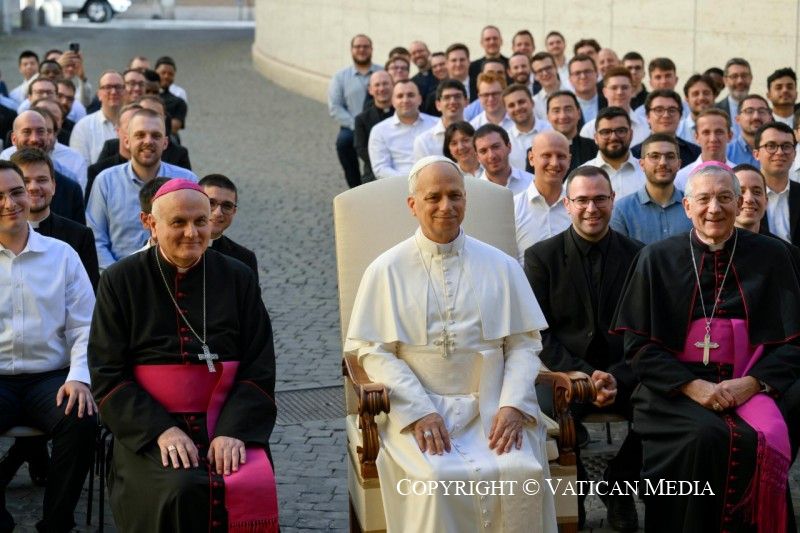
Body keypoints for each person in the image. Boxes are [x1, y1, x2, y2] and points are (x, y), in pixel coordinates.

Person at [345, 155, 557, 533]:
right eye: (434, 197)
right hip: (419, 407)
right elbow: (373, 350)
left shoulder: (502, 266)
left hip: (493, 408)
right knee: (437, 479)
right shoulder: (386, 269)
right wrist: (419, 412)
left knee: (521, 469)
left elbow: (524, 345)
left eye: (455, 195)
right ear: (413, 205)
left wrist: (512, 405)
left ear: (465, 200)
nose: (447, 206)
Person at [611, 162, 800, 533]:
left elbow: (794, 342)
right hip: (675, 390)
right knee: (704, 436)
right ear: (687, 206)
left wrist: (753, 383)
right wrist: (692, 386)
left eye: (725, 197)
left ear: (739, 203)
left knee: (761, 439)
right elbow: (638, 347)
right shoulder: (656, 258)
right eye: (704, 199)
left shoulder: (772, 256)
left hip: (749, 384)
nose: (714, 208)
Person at [89, 179, 278, 532]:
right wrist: (160, 431)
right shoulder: (120, 280)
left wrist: (233, 430)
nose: (192, 233)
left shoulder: (237, 277)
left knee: (247, 481)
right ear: (150, 223)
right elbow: (108, 374)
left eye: (200, 221)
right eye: (178, 222)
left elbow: (260, 365)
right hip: (150, 425)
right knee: (182, 488)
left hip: (227, 417)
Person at [525, 165, 643, 532]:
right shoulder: (540, 257)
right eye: (582, 200)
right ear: (567, 204)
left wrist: (615, 376)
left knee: (663, 408)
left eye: (600, 199)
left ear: (613, 200)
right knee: (550, 417)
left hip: (623, 372)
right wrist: (585, 377)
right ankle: (571, 500)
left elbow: (642, 330)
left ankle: (619, 483)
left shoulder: (638, 255)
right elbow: (539, 334)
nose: (591, 208)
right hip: (564, 374)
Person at [0, 160, 97, 533]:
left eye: (17, 192)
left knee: (81, 418)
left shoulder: (63, 255)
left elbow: (85, 326)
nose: (10, 203)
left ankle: (57, 523)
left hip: (52, 379)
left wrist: (79, 377)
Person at [86, 108, 198, 270]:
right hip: (120, 277)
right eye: (140, 135)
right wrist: (117, 277)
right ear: (126, 141)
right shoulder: (105, 182)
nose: (148, 141)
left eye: (156, 135)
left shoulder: (187, 180)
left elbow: (195, 234)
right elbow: (96, 239)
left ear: (165, 143)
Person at [2, 110, 85, 224]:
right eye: (27, 132)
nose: (34, 139)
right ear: (13, 138)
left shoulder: (70, 189)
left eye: (40, 132)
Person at [611, 133, 693, 243]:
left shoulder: (693, 206)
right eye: (654, 156)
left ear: (679, 164)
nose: (663, 162)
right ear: (642, 164)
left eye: (670, 156)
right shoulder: (622, 210)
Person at [328, 34, 382, 188]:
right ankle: (355, 187)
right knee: (343, 143)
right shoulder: (340, 77)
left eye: (365, 46)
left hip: (380, 123)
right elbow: (335, 107)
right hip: (351, 126)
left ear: (371, 49)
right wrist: (356, 125)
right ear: (351, 50)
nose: (361, 50)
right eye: (357, 47)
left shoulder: (382, 72)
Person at [513, 130, 571, 263]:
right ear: (531, 158)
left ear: (569, 160)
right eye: (546, 155)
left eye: (561, 156)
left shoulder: (579, 207)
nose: (554, 163)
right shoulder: (513, 208)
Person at [368, 80, 436, 179]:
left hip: (436, 181)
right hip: (398, 184)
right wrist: (410, 181)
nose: (405, 100)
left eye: (410, 95)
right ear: (393, 101)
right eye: (400, 96)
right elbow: (380, 169)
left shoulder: (436, 124)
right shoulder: (379, 131)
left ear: (420, 99)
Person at [199, 173, 259, 282]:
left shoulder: (245, 258)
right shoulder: (175, 247)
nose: (218, 213)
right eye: (211, 203)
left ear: (234, 211)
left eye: (227, 206)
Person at [584, 106, 646, 198]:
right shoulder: (581, 175)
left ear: (631, 134)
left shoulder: (648, 172)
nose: (613, 137)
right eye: (606, 132)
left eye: (621, 131)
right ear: (596, 138)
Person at [755, 121, 800, 245]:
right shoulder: (743, 197)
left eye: (786, 146)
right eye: (771, 146)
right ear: (756, 154)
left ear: (794, 154)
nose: (779, 152)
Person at [630, 89, 700, 168]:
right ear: (648, 116)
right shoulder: (634, 155)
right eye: (659, 110)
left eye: (672, 110)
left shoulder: (695, 154)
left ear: (680, 116)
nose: (666, 115)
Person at [579, 66, 649, 145]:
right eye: (614, 88)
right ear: (605, 92)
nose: (619, 92)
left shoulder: (647, 127)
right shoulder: (589, 130)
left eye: (624, 87)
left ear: (632, 90)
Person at [69, 70, 124, 165]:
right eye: (108, 87)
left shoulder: (135, 123)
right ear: (99, 94)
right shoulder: (83, 126)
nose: (113, 92)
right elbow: (80, 167)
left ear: (125, 92)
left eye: (118, 87)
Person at [675, 109, 736, 189]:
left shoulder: (739, 175)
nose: (713, 139)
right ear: (696, 137)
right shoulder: (681, 178)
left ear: (730, 136)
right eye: (706, 132)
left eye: (719, 132)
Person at [354, 71, 394, 183]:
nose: (381, 88)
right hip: (373, 171)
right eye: (377, 85)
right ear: (370, 90)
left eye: (385, 83)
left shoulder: (404, 115)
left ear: (393, 85)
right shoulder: (361, 119)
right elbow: (361, 149)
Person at [545, 91, 598, 173]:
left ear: (579, 113)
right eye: (556, 111)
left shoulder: (595, 148)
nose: (563, 116)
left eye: (568, 109)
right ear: (548, 117)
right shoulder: (538, 152)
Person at [413, 79, 467, 159]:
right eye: (447, 97)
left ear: (466, 102)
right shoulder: (424, 142)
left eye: (457, 96)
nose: (452, 101)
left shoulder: (477, 133)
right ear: (438, 105)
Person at [474, 123, 533, 194]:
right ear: (477, 157)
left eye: (495, 147)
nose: (491, 155)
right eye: (483, 151)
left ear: (509, 147)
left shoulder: (532, 183)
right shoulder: (473, 193)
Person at [503, 84, 550, 170]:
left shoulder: (551, 131)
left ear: (532, 103)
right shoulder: (505, 140)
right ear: (506, 111)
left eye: (521, 102)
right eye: (511, 105)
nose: (517, 108)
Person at [726, 95, 771, 167]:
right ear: (737, 119)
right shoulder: (726, 153)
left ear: (770, 118)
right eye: (749, 111)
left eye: (762, 111)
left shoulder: (779, 151)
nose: (756, 116)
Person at [468, 25, 508, 100]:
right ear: (481, 43)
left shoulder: (510, 65)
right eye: (487, 39)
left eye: (495, 38)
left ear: (501, 41)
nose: (492, 42)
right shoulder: (473, 67)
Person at [714, 58, 752, 137]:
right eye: (734, 76)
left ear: (750, 78)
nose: (740, 81)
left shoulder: (762, 111)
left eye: (744, 76)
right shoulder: (714, 110)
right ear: (725, 80)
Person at [676, 74, 718, 143]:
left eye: (706, 93)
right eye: (695, 94)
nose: (701, 98)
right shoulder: (677, 130)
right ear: (687, 99)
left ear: (714, 96)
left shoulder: (727, 130)